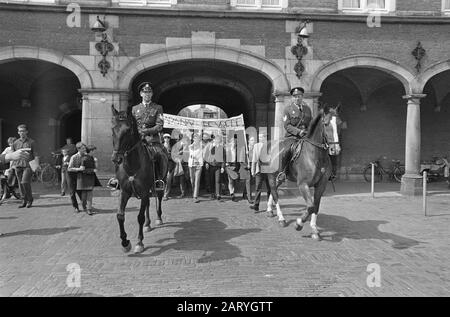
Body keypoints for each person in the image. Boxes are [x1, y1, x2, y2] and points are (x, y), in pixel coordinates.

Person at [131, 82, 168, 191]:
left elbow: (159, 125)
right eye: (145, 92)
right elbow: (132, 125)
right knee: (124, 154)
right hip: (138, 141)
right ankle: (122, 180)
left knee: (160, 156)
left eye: (149, 92)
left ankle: (158, 179)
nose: (147, 94)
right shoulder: (135, 108)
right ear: (141, 94)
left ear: (152, 94)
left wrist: (146, 131)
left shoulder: (157, 108)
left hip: (152, 140)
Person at [277, 87, 312, 182]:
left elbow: (310, 123)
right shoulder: (287, 110)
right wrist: (298, 131)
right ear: (292, 98)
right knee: (286, 152)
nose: (297, 98)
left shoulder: (307, 109)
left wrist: (309, 132)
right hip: (292, 137)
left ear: (302, 97)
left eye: (299, 96)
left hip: (305, 137)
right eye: (295, 96)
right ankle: (283, 173)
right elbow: (287, 125)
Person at [11, 124, 37, 208]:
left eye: (23, 131)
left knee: (25, 182)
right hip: (18, 166)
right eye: (20, 131)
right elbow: (13, 155)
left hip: (28, 165)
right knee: (20, 184)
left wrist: (36, 166)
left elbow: (35, 155)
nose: (21, 132)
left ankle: (30, 199)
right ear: (18, 132)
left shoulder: (31, 142)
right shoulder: (15, 143)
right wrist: (12, 165)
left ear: (26, 132)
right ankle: (24, 200)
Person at [250, 131, 276, 213]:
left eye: (261, 137)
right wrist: (252, 170)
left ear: (265, 137)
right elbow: (254, 159)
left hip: (268, 170)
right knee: (258, 188)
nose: (260, 138)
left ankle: (269, 205)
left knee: (269, 188)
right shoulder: (256, 146)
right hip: (259, 170)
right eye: (259, 137)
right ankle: (256, 205)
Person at [68, 142, 94, 215]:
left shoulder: (86, 156)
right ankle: (76, 207)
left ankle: (85, 205)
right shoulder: (74, 157)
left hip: (81, 178)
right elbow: (69, 168)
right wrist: (78, 169)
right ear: (78, 149)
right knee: (72, 193)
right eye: (83, 148)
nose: (84, 149)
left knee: (81, 192)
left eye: (84, 148)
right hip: (72, 177)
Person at [204, 133, 225, 201]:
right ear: (214, 140)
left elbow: (224, 158)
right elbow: (206, 155)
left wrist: (222, 167)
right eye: (216, 139)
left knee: (218, 180)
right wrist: (207, 162)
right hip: (211, 165)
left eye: (218, 139)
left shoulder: (222, 148)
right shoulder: (210, 146)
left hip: (218, 166)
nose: (217, 140)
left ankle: (218, 194)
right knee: (211, 180)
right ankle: (212, 193)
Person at [0, 137, 19, 202]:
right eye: (10, 143)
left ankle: (10, 190)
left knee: (12, 174)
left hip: (15, 168)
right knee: (3, 178)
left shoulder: (18, 150)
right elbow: (2, 156)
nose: (11, 145)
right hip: (7, 167)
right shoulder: (7, 149)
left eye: (13, 143)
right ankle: (4, 192)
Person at [188, 132, 204, 203]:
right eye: (194, 138)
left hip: (198, 165)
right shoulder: (190, 146)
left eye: (197, 138)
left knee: (197, 181)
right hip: (191, 165)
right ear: (193, 139)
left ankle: (195, 196)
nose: (196, 139)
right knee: (192, 180)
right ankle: (193, 192)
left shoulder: (202, 146)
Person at [225, 136, 240, 202]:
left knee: (235, 180)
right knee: (230, 180)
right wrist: (226, 163)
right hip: (229, 165)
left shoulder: (238, 150)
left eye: (235, 142)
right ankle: (232, 193)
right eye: (233, 142)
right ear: (230, 143)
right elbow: (224, 157)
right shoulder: (227, 150)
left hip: (236, 166)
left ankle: (233, 191)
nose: (234, 143)